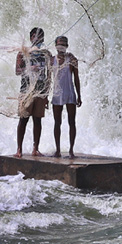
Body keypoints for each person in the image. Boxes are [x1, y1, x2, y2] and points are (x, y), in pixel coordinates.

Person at [15, 27, 49, 157]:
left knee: (38, 120)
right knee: (23, 119)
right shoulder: (23, 52)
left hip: (40, 91)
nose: (39, 39)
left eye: (41, 36)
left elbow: (48, 74)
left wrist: (46, 94)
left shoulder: (45, 53)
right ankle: (19, 149)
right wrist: (30, 68)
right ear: (31, 38)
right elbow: (17, 71)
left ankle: (35, 149)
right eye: (36, 36)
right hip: (26, 91)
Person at [50, 35, 82, 158]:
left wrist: (79, 95)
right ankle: (57, 150)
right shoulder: (52, 60)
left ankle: (71, 150)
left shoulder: (72, 59)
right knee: (57, 122)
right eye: (59, 45)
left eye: (63, 45)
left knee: (71, 122)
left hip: (70, 93)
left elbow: (76, 78)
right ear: (55, 46)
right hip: (57, 94)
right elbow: (48, 79)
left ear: (67, 46)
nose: (61, 47)